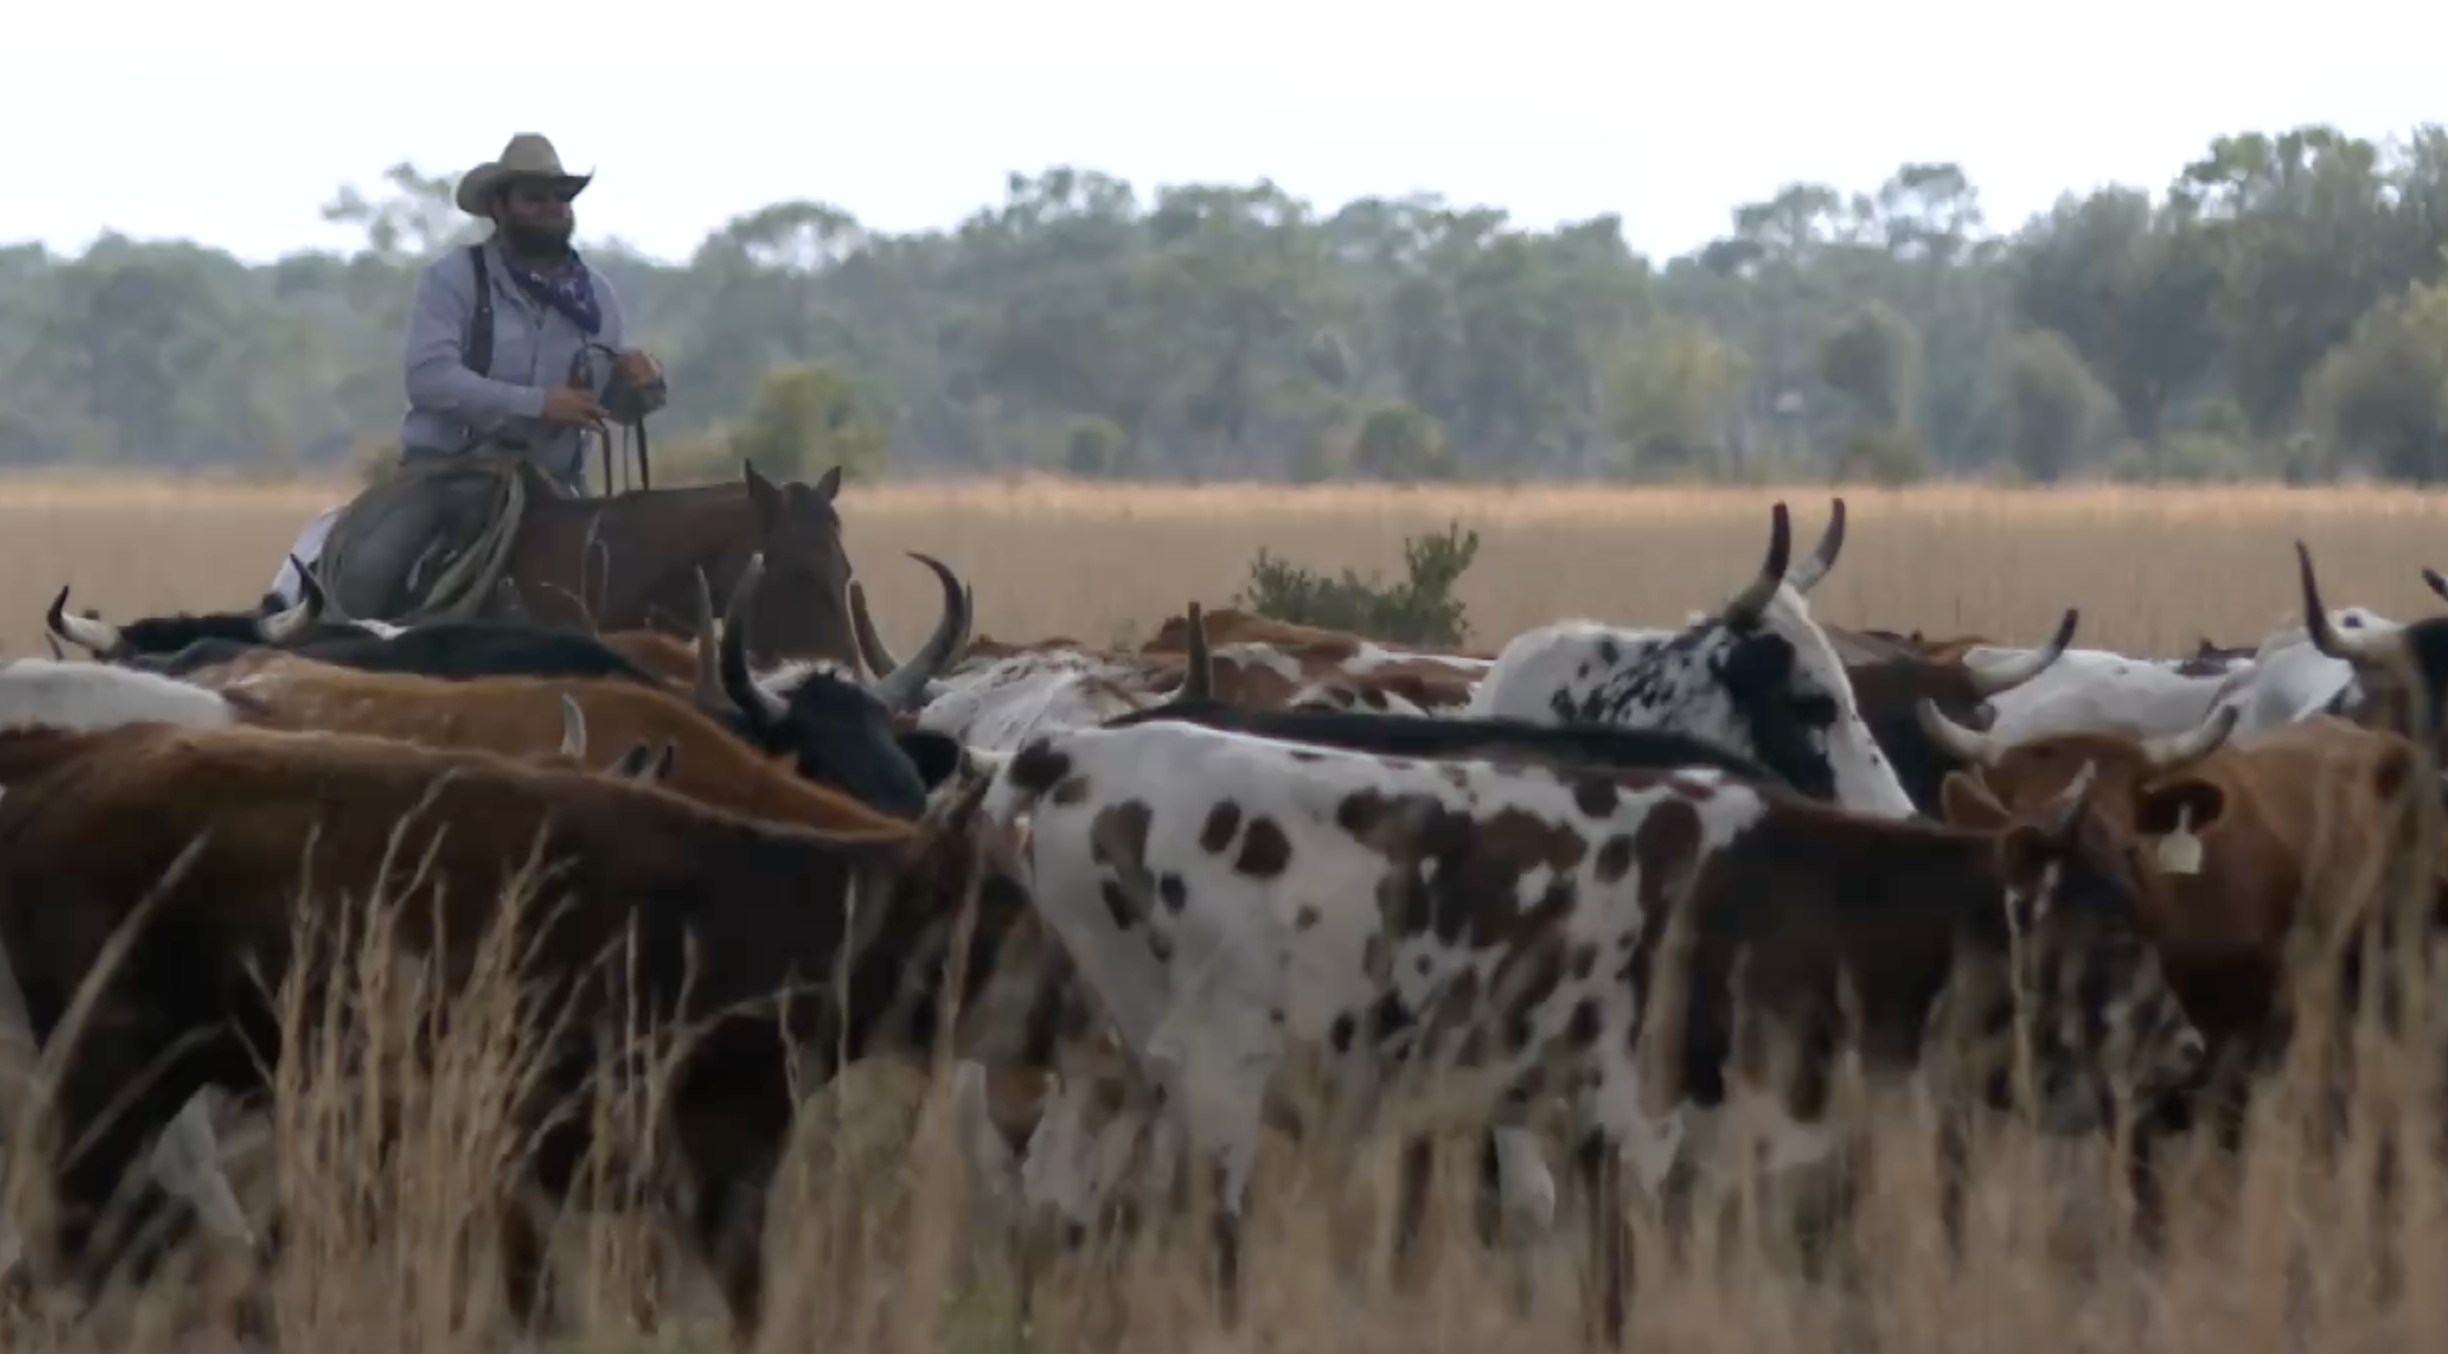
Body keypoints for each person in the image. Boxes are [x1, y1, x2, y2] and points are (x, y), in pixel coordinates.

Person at [269, 132, 667, 612]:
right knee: (370, 575)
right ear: (499, 207)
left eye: (560, 198)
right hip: (447, 478)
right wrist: (540, 405)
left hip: (557, 490)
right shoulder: (454, 278)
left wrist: (641, 383)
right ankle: (324, 644)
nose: (552, 208)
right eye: (534, 198)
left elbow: (613, 404)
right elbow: (430, 378)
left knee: (635, 597)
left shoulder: (597, 296)